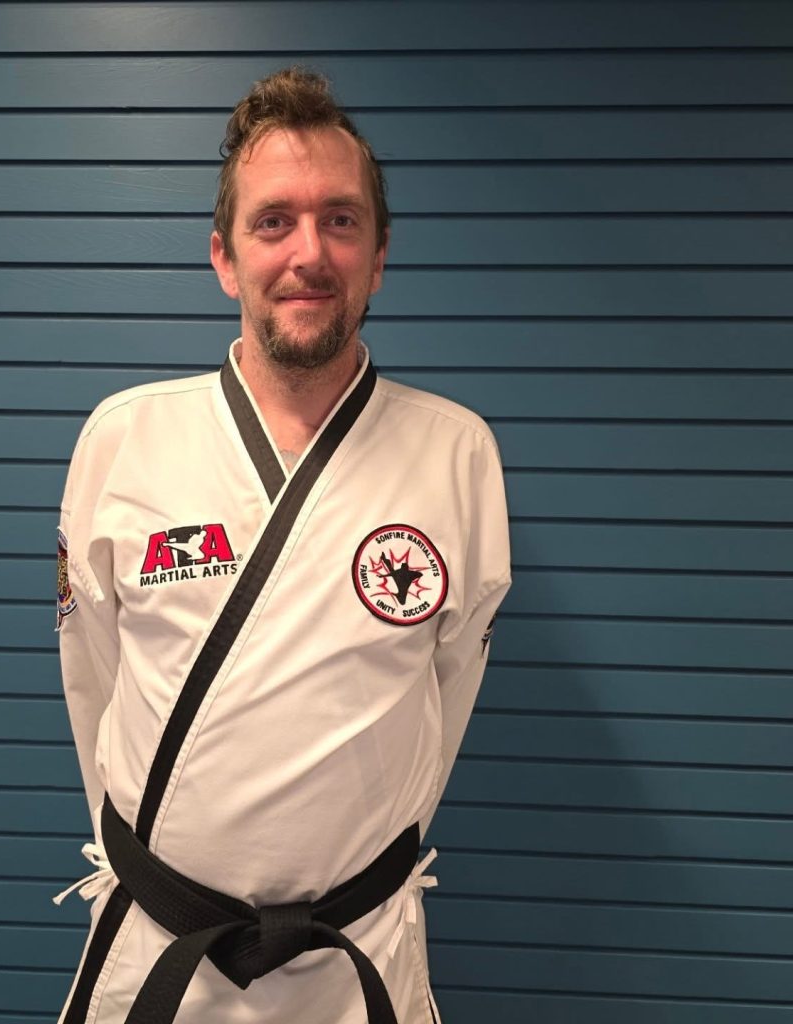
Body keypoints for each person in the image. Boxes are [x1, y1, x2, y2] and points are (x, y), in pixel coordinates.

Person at [53, 67, 512, 1024]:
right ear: (225, 258)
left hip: (359, 953)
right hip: (161, 948)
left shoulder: (456, 452)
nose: (310, 252)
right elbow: (92, 677)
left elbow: (447, 694)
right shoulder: (125, 438)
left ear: (379, 256)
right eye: (274, 222)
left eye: (341, 220)